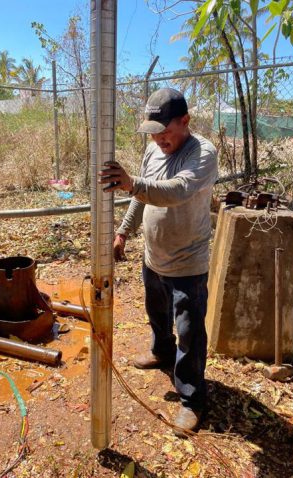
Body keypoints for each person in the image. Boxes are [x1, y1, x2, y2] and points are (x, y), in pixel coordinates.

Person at [99, 88, 218, 436]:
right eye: (153, 131)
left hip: (187, 263)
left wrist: (132, 183)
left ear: (185, 121)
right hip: (154, 256)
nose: (158, 138)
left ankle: (192, 400)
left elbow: (177, 190)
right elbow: (142, 195)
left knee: (189, 333)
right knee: (157, 313)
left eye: (164, 131)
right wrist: (123, 231)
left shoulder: (202, 153)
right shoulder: (153, 150)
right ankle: (161, 352)